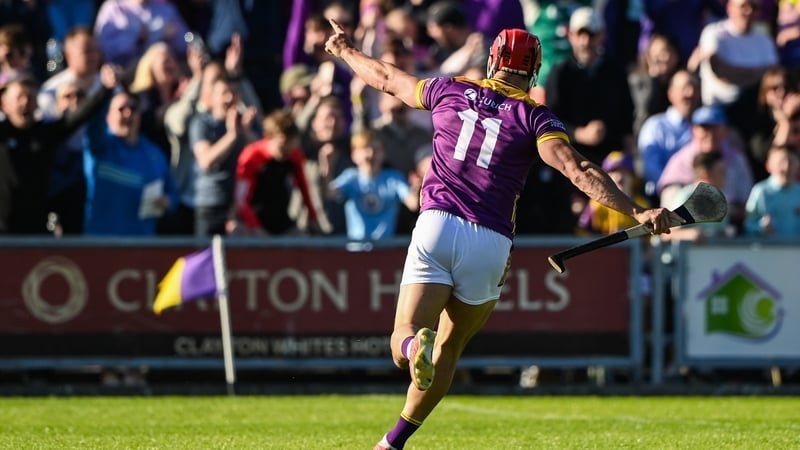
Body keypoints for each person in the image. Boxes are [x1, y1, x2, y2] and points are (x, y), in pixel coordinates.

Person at [324, 20, 681, 450]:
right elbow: (578, 170)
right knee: (450, 350)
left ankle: (410, 343)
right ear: (533, 72)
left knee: (405, 334)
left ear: (493, 60)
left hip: (436, 222)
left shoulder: (449, 89)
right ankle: (393, 443)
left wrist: (344, 50)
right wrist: (637, 210)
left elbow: (384, 78)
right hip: (490, 241)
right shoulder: (535, 117)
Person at [322, 130, 420, 241]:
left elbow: (413, 204)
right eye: (365, 149)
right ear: (354, 154)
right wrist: (327, 169)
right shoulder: (350, 178)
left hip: (386, 250)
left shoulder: (393, 179)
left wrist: (417, 188)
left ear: (383, 153)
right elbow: (330, 194)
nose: (370, 154)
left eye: (376, 149)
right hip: (356, 249)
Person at [233, 110, 318, 236]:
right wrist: (256, 228)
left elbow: (304, 189)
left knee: (302, 241)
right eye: (282, 143)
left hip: (282, 220)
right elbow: (241, 200)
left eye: (291, 143)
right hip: (253, 222)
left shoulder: (294, 156)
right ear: (270, 137)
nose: (286, 150)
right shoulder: (252, 156)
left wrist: (312, 218)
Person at [743, 145, 800, 236]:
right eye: (781, 162)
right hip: (770, 248)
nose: (786, 167)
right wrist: (761, 228)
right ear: (769, 165)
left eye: (791, 162)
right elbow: (748, 225)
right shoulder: (761, 191)